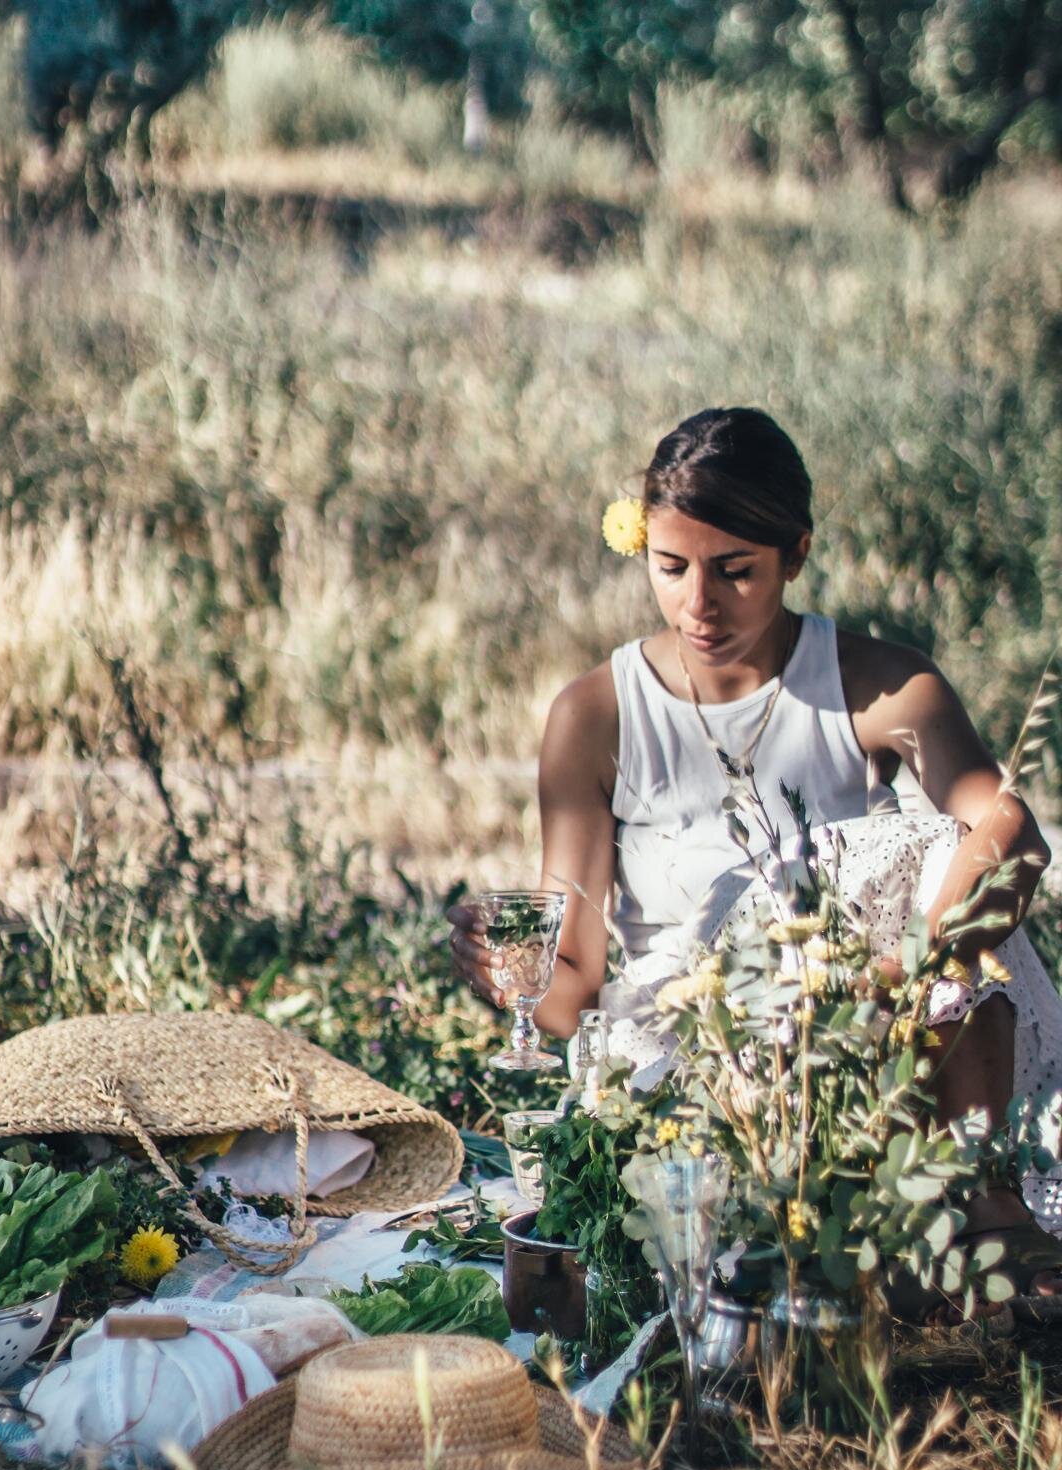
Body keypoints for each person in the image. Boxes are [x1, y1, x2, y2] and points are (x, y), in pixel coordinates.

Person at [448, 406, 1062, 1319]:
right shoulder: (596, 715)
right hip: (703, 1053)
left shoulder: (877, 684)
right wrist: (503, 969)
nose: (700, 604)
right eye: (671, 568)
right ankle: (888, 1254)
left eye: (735, 572)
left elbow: (1015, 836)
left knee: (947, 846)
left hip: (877, 1033)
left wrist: (901, 976)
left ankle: (977, 1199)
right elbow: (570, 984)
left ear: (796, 554)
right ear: (642, 550)